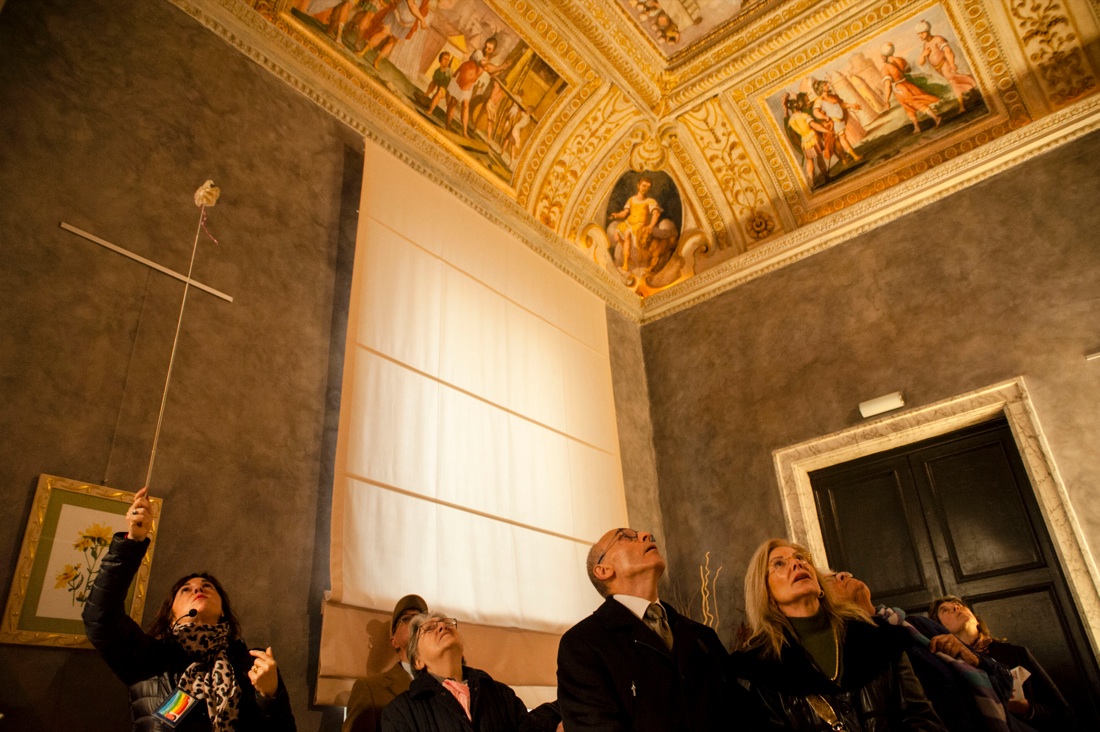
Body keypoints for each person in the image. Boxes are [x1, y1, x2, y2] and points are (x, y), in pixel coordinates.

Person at [82, 488, 296, 731]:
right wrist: (133, 542)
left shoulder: (251, 663)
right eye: (186, 589)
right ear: (171, 613)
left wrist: (270, 695)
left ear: (223, 610)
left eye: (207, 587)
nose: (198, 589)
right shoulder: (148, 657)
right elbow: (99, 617)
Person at [731, 539, 945, 731]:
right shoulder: (761, 667)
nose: (797, 563)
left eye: (800, 558)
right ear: (765, 593)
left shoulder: (878, 637)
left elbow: (922, 719)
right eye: (779, 563)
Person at [556, 528, 738, 731]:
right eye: (625, 536)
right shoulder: (582, 644)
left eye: (645, 535)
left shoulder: (702, 637)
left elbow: (742, 716)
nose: (645, 535)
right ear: (604, 570)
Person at [825, 571, 1019, 732]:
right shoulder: (852, 655)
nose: (843, 574)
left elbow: (1004, 681)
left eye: (841, 572)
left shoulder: (918, 626)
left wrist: (975, 660)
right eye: (831, 579)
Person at [931, 596, 1072, 731]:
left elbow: (1065, 715)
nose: (956, 607)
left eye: (959, 605)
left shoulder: (1016, 654)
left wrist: (1026, 709)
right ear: (940, 627)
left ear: (977, 620)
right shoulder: (945, 666)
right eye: (945, 609)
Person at [380, 612, 530, 731]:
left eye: (447, 623)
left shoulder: (503, 695)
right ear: (418, 661)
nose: (442, 626)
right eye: (429, 628)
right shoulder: (401, 712)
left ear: (462, 652)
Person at [344, 594, 428, 732]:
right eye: (406, 619)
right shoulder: (370, 690)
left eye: (421, 619)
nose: (416, 622)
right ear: (394, 641)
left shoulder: (445, 685)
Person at [445, 38, 513, 137]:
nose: (486, 49)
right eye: (486, 46)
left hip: (469, 84)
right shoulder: (478, 53)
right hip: (462, 78)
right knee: (453, 102)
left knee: (465, 105)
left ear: (493, 50)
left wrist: (503, 68)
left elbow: (490, 74)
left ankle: (464, 132)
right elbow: (485, 66)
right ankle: (447, 126)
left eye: (489, 49)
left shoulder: (489, 61)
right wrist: (501, 67)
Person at [880, 42, 942, 133]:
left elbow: (888, 85)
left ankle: (936, 118)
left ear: (884, 55)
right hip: (907, 83)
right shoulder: (900, 60)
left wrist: (886, 101)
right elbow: (908, 70)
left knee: (913, 104)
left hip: (899, 89)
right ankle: (916, 127)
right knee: (910, 105)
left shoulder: (885, 68)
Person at [916, 20, 977, 112]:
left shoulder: (938, 39)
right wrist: (923, 55)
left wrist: (952, 64)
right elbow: (920, 62)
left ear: (927, 31)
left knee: (954, 82)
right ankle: (973, 88)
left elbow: (948, 51)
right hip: (938, 70)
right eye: (918, 34)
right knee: (956, 80)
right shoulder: (925, 45)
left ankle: (962, 106)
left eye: (922, 33)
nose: (920, 36)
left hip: (945, 65)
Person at [609, 177, 662, 273]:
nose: (645, 188)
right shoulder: (631, 200)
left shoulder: (650, 201)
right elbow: (625, 213)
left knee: (627, 234)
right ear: (638, 186)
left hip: (640, 226)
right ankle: (627, 255)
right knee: (616, 236)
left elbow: (656, 214)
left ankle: (625, 264)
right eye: (643, 185)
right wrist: (617, 215)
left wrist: (650, 226)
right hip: (628, 223)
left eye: (648, 187)